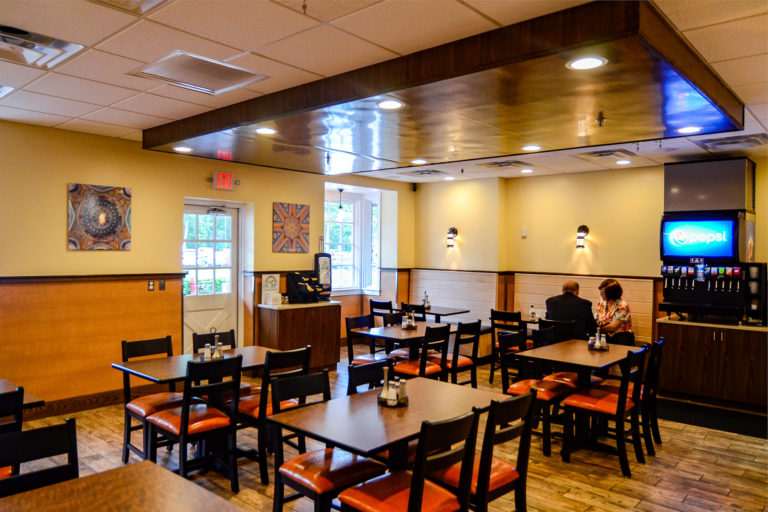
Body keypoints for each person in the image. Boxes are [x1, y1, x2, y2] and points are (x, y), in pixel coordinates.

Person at [596, 280, 635, 346]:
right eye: (601, 293)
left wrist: (597, 328)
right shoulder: (602, 302)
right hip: (605, 333)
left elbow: (613, 327)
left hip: (621, 334)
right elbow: (596, 319)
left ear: (611, 294)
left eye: (603, 294)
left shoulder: (622, 305)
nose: (601, 295)